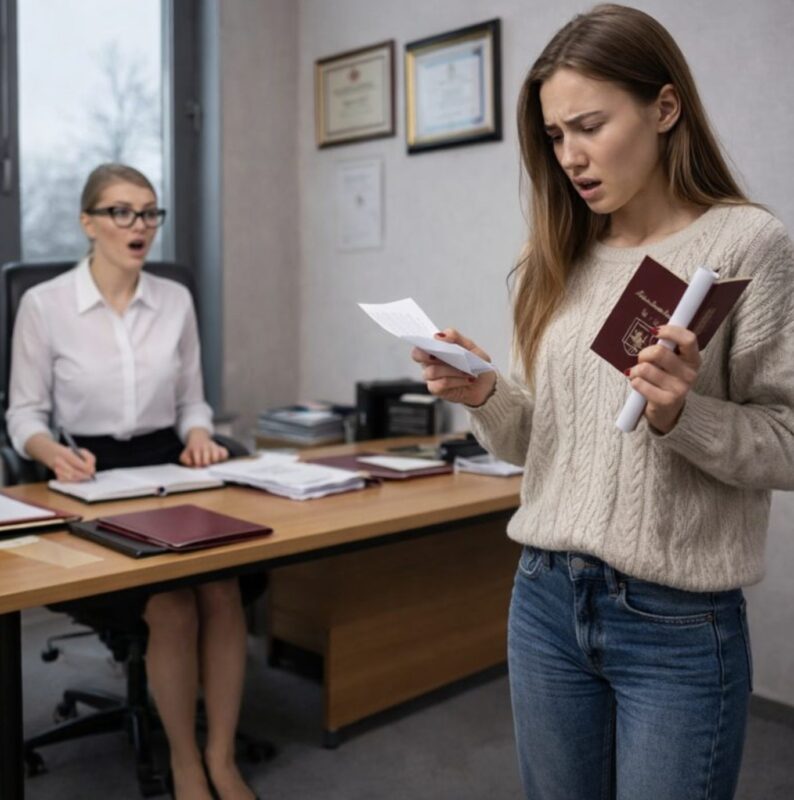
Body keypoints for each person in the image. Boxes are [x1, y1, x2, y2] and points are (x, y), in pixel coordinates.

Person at [412, 5, 794, 799]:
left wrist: (680, 413)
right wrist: (485, 393)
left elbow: (788, 439)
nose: (571, 157)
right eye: (555, 137)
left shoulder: (747, 244)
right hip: (545, 597)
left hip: (677, 622)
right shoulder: (563, 253)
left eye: (588, 126)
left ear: (664, 108)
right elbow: (539, 443)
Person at [8, 163, 261, 800]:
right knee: (172, 605)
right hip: (84, 473)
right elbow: (24, 416)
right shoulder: (45, 305)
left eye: (149, 212)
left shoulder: (174, 299)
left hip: (169, 468)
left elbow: (193, 404)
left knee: (223, 585)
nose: (139, 225)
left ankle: (222, 758)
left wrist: (201, 434)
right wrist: (48, 453)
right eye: (121, 212)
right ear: (88, 223)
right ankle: (184, 763)